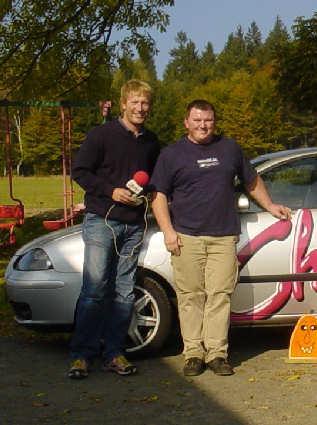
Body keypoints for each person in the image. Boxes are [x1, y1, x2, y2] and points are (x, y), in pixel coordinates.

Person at [150, 99, 291, 377]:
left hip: (224, 236)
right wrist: (168, 231)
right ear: (186, 122)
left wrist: (270, 205)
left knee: (219, 296)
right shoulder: (171, 154)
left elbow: (251, 181)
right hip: (186, 236)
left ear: (214, 122)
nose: (203, 125)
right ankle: (193, 353)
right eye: (198, 120)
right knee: (190, 296)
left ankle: (217, 354)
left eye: (208, 120)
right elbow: (159, 195)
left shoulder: (229, 148)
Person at [68, 79, 160, 379]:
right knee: (94, 290)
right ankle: (82, 355)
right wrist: (111, 191)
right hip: (101, 220)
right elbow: (79, 172)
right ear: (123, 104)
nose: (140, 108)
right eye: (135, 102)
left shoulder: (151, 142)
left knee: (123, 293)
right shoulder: (101, 135)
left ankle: (115, 354)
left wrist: (144, 195)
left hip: (134, 226)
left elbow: (156, 181)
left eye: (145, 103)